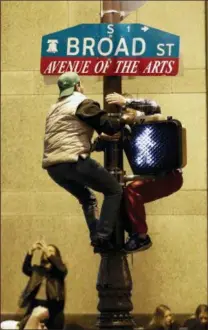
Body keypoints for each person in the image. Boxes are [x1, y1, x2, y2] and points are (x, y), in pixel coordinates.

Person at [42, 72, 133, 253]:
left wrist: (94, 144)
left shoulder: (54, 108)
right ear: (77, 86)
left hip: (53, 167)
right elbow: (108, 125)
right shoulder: (81, 102)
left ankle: (97, 238)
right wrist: (125, 118)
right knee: (114, 190)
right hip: (74, 162)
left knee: (87, 199)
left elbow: (67, 138)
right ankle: (102, 237)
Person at [94, 93, 183, 253]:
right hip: (156, 176)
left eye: (124, 111)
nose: (123, 116)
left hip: (168, 175)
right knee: (123, 196)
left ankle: (141, 236)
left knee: (132, 191)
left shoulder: (145, 120)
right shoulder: (125, 130)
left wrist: (126, 101)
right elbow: (101, 144)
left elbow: (153, 106)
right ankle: (135, 234)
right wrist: (103, 137)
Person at [18, 241, 67, 330]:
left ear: (56, 256)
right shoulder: (37, 270)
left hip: (53, 306)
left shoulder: (59, 271)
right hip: (36, 304)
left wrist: (48, 252)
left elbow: (61, 269)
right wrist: (30, 251)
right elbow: (25, 268)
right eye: (46, 251)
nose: (47, 251)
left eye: (51, 251)